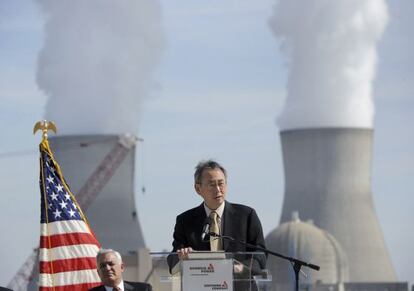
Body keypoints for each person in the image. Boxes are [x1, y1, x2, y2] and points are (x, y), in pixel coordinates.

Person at [167, 159, 267, 275]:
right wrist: (181, 256)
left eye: (221, 183)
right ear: (198, 189)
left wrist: (242, 268)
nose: (218, 190)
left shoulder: (246, 216)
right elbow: (172, 261)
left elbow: (261, 255)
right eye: (212, 185)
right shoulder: (185, 221)